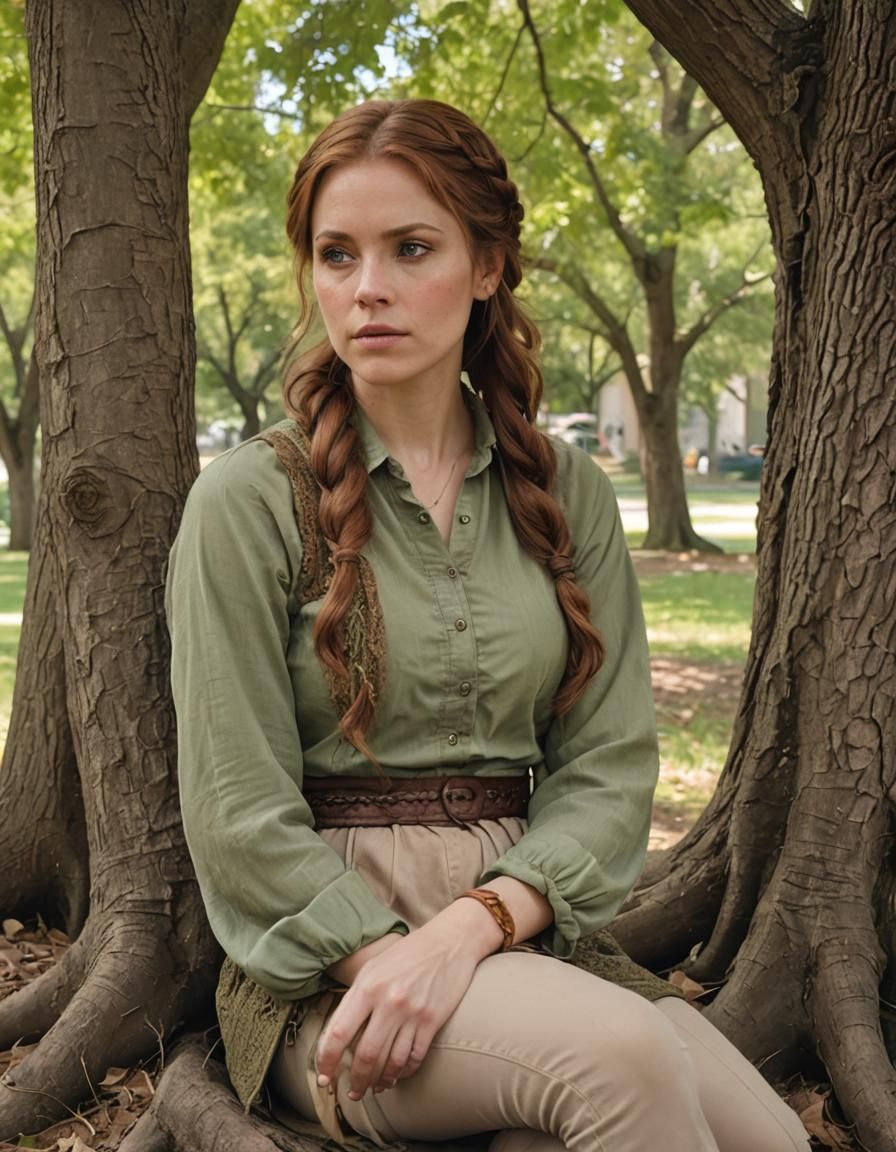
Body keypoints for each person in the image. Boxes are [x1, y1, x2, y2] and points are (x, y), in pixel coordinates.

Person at [165, 98, 809, 1152]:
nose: (366, 287)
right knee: (625, 1061)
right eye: (336, 254)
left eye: (410, 248)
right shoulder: (251, 500)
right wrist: (388, 961)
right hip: (330, 975)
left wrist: (474, 929)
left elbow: (607, 767)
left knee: (768, 1141)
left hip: (525, 934)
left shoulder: (563, 490)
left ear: (487, 265)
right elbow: (237, 810)